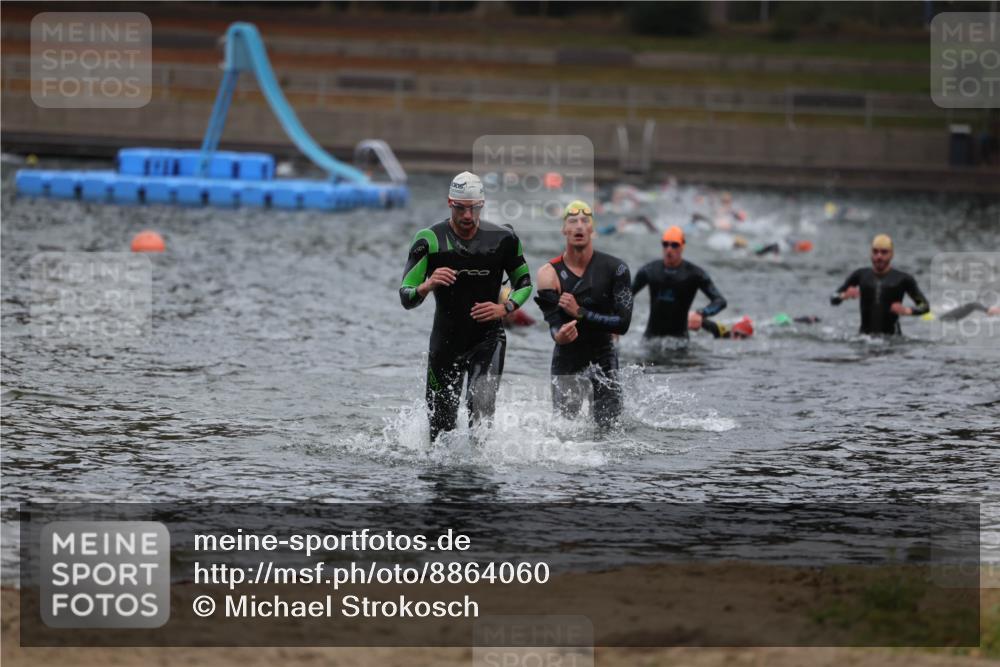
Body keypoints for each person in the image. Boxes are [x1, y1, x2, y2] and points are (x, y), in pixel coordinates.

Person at [399, 171, 532, 442]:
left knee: (480, 416)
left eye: (473, 208)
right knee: (439, 433)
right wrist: (428, 284)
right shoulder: (429, 240)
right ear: (450, 203)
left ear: (482, 204)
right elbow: (406, 295)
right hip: (445, 342)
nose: (468, 216)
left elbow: (525, 284)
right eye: (461, 208)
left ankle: (480, 481)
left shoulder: (503, 239)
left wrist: (505, 308)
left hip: (488, 339)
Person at [535, 200, 632, 428]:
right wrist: (558, 335)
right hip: (567, 358)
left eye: (584, 221)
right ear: (564, 230)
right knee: (566, 432)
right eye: (572, 221)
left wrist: (580, 312)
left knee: (609, 429)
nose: (579, 226)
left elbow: (623, 325)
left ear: (592, 229)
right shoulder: (548, 274)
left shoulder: (616, 269)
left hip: (603, 356)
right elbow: (554, 323)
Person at [631, 226, 727, 339]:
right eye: (665, 244)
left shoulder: (695, 274)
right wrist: (616, 324)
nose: (669, 249)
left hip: (679, 341)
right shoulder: (649, 270)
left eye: (674, 245)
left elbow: (720, 301)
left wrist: (701, 313)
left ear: (682, 247)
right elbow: (626, 296)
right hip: (650, 339)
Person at [830, 234, 929, 335]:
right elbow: (833, 298)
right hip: (864, 340)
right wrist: (844, 295)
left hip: (893, 342)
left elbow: (924, 306)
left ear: (891, 254)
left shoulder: (903, 279)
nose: (879, 256)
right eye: (875, 251)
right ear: (871, 253)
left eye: (884, 252)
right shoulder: (860, 275)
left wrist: (906, 310)